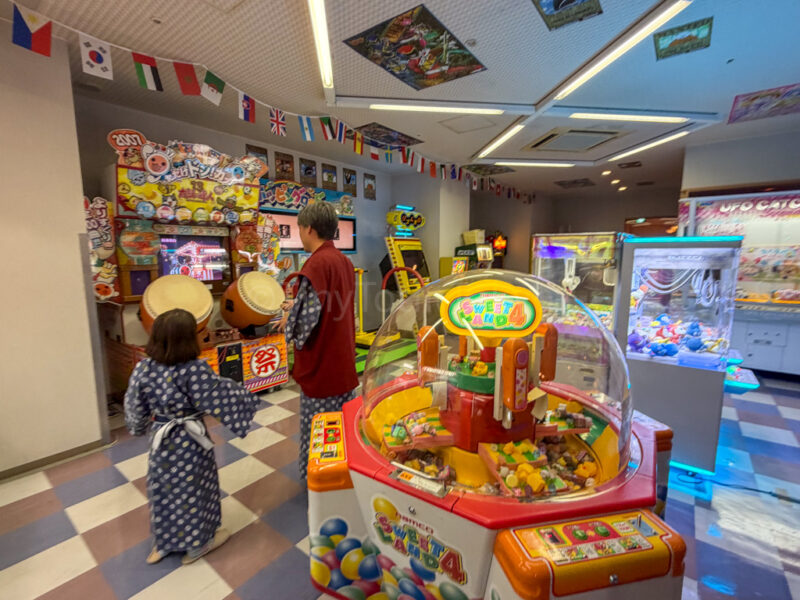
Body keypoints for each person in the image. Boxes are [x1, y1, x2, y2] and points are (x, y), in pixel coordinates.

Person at [125, 308, 259, 565]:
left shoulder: (143, 369)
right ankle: (197, 545)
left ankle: (164, 544)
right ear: (188, 339)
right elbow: (219, 395)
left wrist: (139, 427)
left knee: (162, 488)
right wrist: (247, 401)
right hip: (190, 442)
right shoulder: (194, 369)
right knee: (195, 488)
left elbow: (134, 409)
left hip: (161, 442)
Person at [279, 202, 358, 480]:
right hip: (343, 358)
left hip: (322, 364)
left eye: (300, 228)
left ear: (309, 228)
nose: (300, 233)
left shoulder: (316, 263)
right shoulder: (344, 261)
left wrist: (289, 326)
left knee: (321, 428)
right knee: (342, 425)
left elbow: (307, 320)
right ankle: (342, 471)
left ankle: (321, 477)